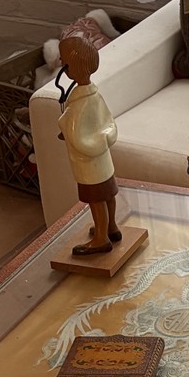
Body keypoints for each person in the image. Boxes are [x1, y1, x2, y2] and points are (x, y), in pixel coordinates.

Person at [56, 33, 120, 257]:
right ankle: (111, 226)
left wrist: (64, 125)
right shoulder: (94, 95)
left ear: (70, 67)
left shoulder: (78, 104)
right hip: (102, 159)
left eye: (62, 60)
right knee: (108, 194)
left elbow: (76, 135)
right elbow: (107, 121)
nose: (60, 63)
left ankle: (101, 238)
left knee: (96, 200)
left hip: (88, 162)